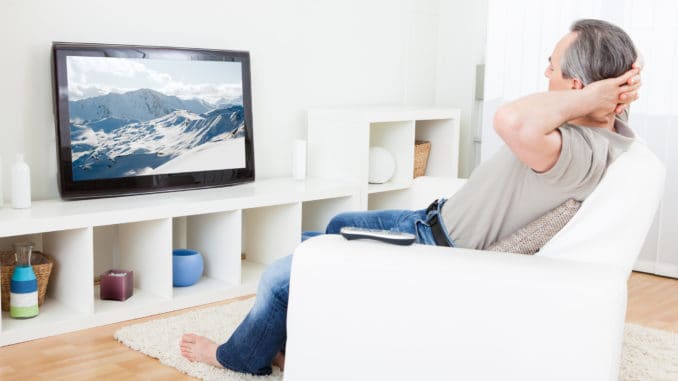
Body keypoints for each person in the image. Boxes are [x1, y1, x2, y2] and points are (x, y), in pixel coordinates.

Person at [179, 19, 642, 375]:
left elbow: (509, 121)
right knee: (338, 226)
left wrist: (591, 97)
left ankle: (236, 357)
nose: (545, 71)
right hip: (434, 219)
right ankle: (302, 330)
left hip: (436, 250)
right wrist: (594, 98)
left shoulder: (577, 149)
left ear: (580, 88)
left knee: (285, 273)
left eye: (553, 66)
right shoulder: (598, 135)